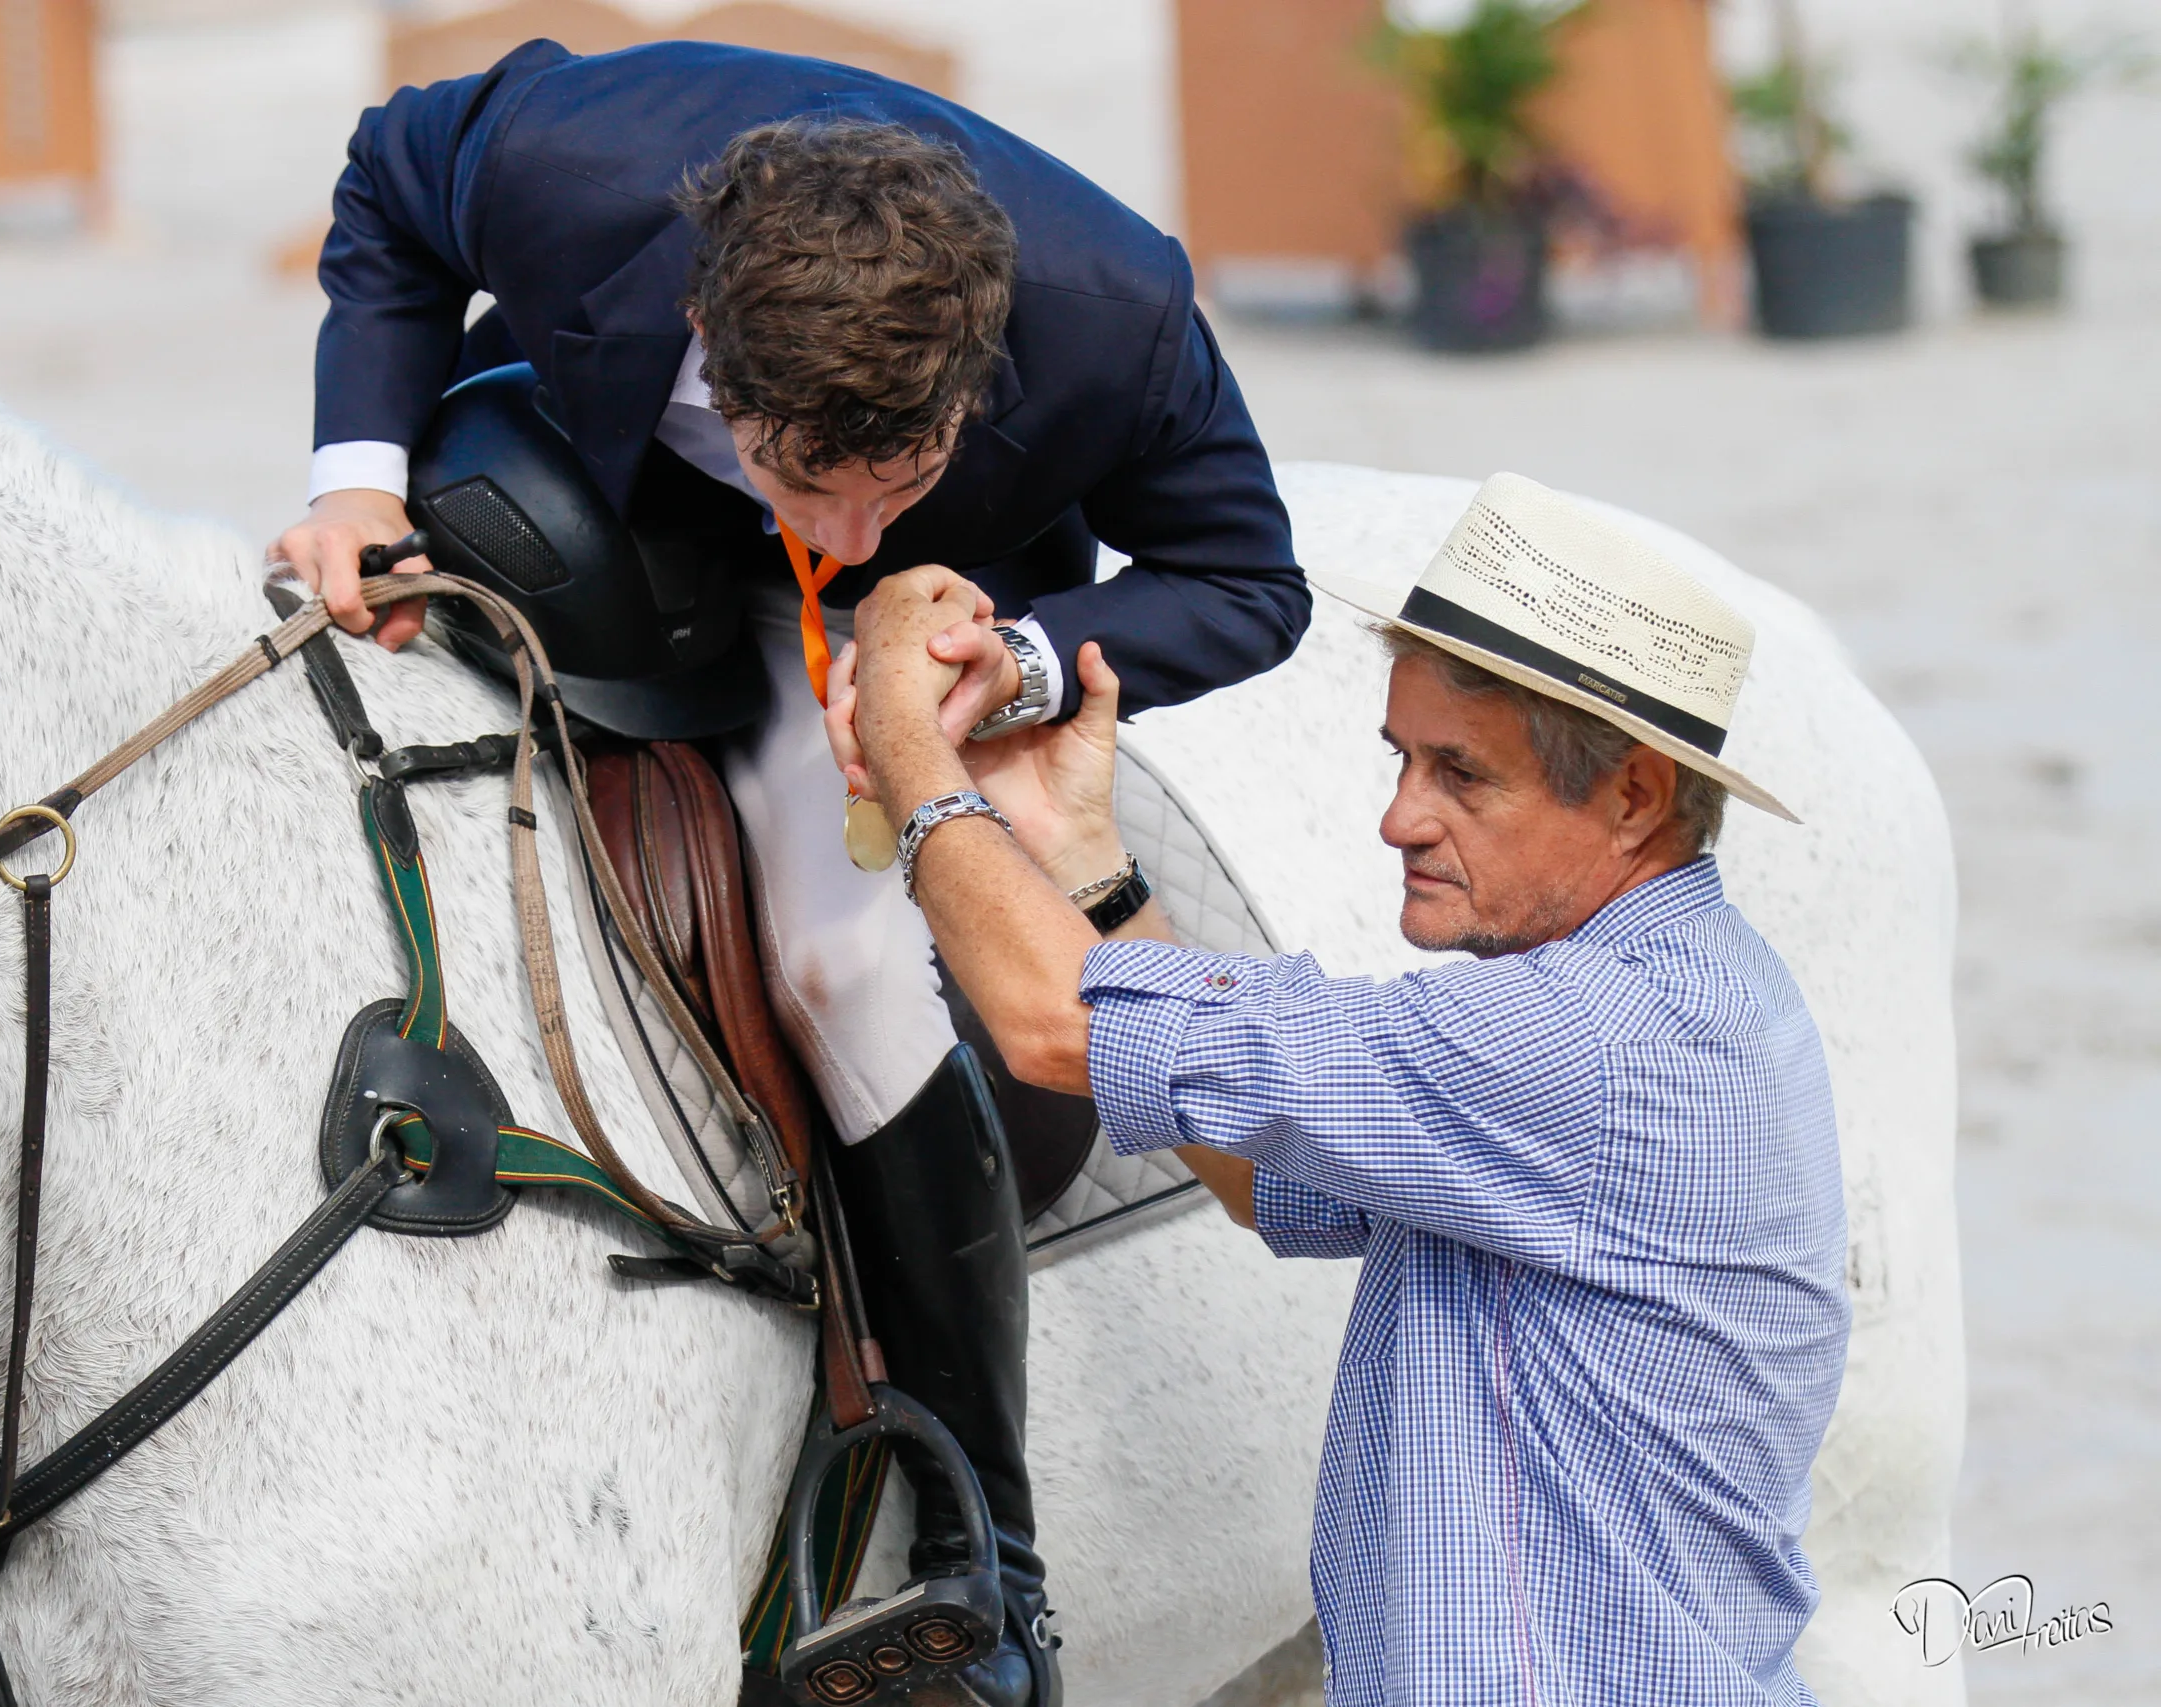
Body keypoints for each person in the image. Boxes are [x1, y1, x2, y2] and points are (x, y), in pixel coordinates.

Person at [270, 39, 1308, 1706]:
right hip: (585, 501)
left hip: (944, 616)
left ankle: (991, 1554)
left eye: (888, 469)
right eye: (802, 472)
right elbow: (392, 176)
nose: (837, 523)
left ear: (978, 374)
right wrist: (354, 479)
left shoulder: (1118, 302)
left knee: (844, 967)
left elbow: (1251, 578)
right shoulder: (565, 162)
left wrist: (1016, 665)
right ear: (704, 333)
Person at [828, 473, 1853, 1706]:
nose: (1394, 820)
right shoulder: (1683, 989)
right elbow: (1270, 1173)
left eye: (1461, 775)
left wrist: (903, 732)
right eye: (1400, 758)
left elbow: (1057, 1027)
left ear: (1633, 796)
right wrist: (1084, 861)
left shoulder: (1581, 1040)